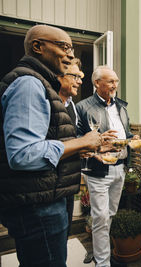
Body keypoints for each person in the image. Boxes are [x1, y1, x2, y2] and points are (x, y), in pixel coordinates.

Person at [0, 25, 101, 267]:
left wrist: (78, 149)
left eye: (71, 48)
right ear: (38, 46)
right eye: (64, 46)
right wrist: (82, 141)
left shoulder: (40, 85)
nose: (69, 54)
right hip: (38, 209)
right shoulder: (29, 85)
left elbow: (46, 141)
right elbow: (23, 155)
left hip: (45, 200)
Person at [76, 65, 135, 267]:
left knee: (109, 215)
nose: (114, 85)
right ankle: (103, 263)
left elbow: (125, 134)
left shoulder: (121, 106)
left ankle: (102, 255)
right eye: (110, 81)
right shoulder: (83, 107)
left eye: (116, 81)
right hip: (97, 169)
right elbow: (76, 139)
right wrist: (96, 148)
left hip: (120, 168)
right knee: (100, 217)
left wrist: (132, 141)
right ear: (96, 83)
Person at [57, 57, 84, 235]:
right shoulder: (46, 102)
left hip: (67, 184)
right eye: (75, 76)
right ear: (60, 76)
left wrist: (88, 148)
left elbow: (72, 139)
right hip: (49, 188)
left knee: (64, 235)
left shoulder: (71, 106)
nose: (80, 81)